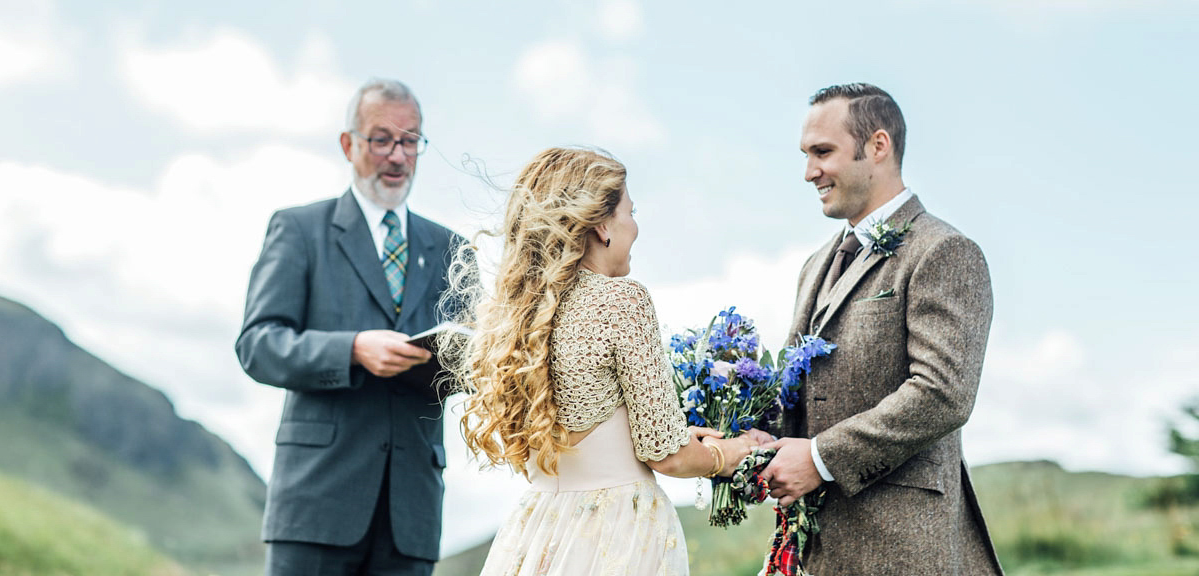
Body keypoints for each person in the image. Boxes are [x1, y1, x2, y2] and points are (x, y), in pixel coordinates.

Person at [449, 147, 765, 575]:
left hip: (539, 530)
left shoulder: (520, 322)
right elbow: (665, 455)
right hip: (617, 534)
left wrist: (676, 431)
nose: (635, 226)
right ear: (602, 224)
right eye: (630, 212)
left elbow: (592, 437)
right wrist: (725, 454)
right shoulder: (621, 301)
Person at [762, 83, 1004, 575]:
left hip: (900, 548)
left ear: (877, 146)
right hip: (813, 547)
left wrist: (821, 458)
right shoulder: (814, 265)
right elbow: (797, 393)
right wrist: (738, 435)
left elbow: (942, 393)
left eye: (822, 152)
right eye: (807, 154)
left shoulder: (943, 251)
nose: (810, 172)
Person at [236, 79, 465, 576]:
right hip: (316, 504)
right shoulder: (299, 231)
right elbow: (258, 345)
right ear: (349, 144)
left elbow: (478, 353)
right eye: (382, 139)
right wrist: (353, 349)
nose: (398, 156)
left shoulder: (453, 249)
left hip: (411, 512)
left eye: (410, 141)